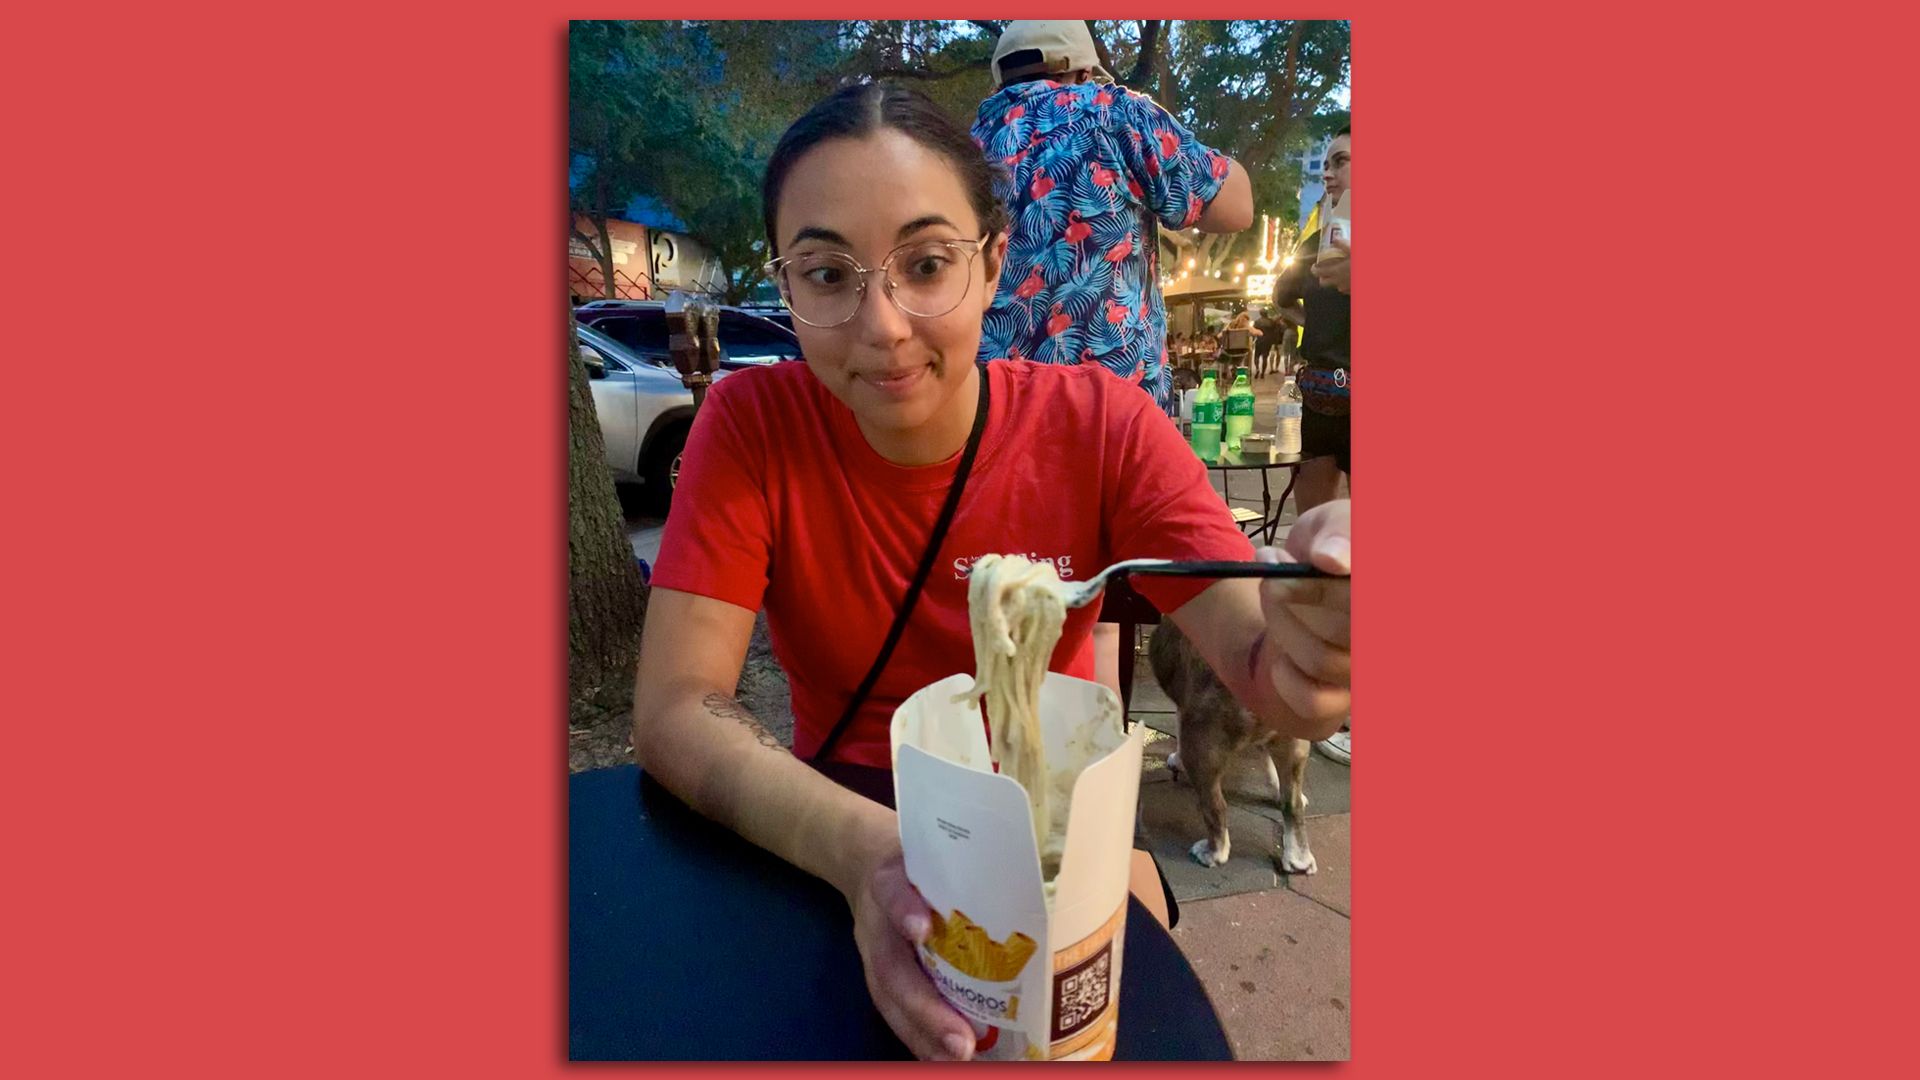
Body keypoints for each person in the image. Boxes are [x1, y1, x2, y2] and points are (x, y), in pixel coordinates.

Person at [632, 83, 1353, 1062]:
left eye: (926, 265)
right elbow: (676, 707)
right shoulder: (754, 428)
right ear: (785, 283)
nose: (882, 323)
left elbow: (1268, 667)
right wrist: (874, 860)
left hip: (1049, 820)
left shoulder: (1098, 426)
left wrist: (1323, 626)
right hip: (836, 815)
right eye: (828, 274)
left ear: (995, 263)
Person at [972, 20, 1254, 411]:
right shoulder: (1113, 114)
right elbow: (1238, 208)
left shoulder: (965, 146)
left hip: (993, 413)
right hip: (1113, 414)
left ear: (1000, 80)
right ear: (1085, 73)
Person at [1271, 124, 1351, 764]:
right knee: (1317, 543)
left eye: (1343, 161)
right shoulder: (1316, 233)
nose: (1330, 171)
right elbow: (1283, 300)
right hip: (1322, 395)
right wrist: (1308, 337)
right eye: (1327, 161)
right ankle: (1322, 688)